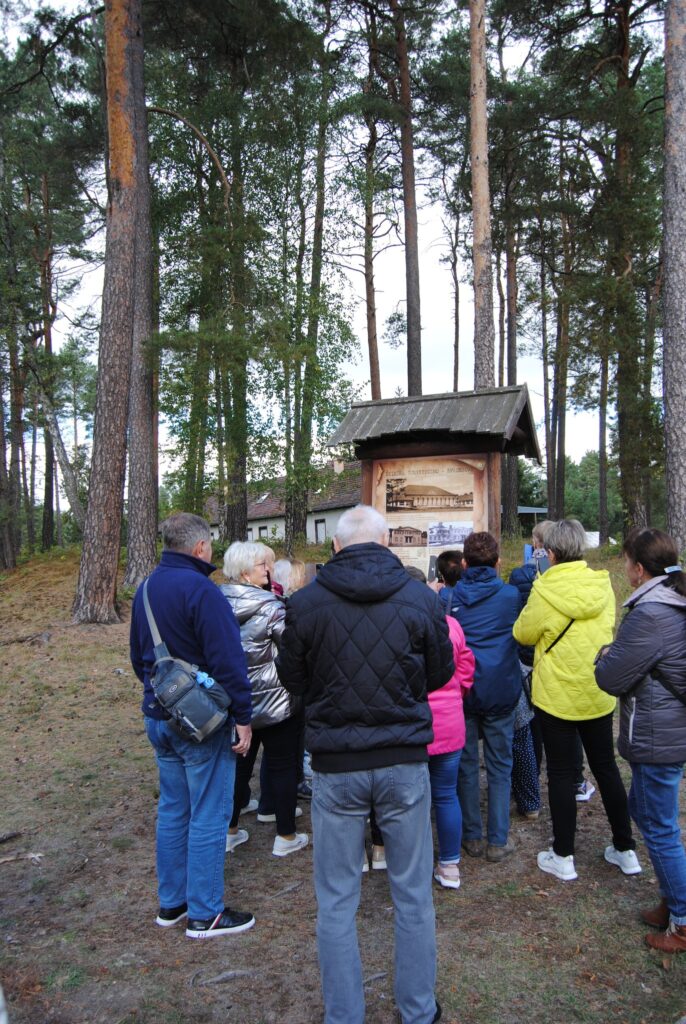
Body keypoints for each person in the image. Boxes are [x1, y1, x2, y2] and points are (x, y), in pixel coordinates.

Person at [277, 504, 453, 1024]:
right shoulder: (420, 597)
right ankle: (418, 1012)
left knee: (336, 900)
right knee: (412, 894)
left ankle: (346, 1015)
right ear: (386, 544)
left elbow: (293, 679)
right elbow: (439, 674)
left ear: (336, 547)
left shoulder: (306, 603)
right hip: (399, 762)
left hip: (338, 764)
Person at [130, 513, 255, 938]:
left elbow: (138, 659)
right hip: (200, 725)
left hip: (158, 715)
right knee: (207, 813)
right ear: (200, 547)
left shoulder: (145, 589)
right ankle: (205, 913)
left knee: (172, 809)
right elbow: (228, 662)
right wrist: (243, 717)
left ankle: (172, 903)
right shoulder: (203, 590)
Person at [513, 518, 639, 882]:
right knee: (607, 769)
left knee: (561, 773)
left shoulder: (544, 590)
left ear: (550, 552)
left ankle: (564, 855)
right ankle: (626, 848)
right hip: (597, 690)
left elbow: (522, 631)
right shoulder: (602, 586)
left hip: (557, 697)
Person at [595, 528, 686, 953]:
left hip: (658, 734)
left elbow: (612, 678)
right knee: (647, 811)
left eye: (627, 559)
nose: (625, 567)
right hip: (669, 728)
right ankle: (673, 901)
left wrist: (603, 657)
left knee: (659, 825)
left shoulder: (650, 613)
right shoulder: (674, 600)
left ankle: (682, 917)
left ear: (639, 568)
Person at [220, 541, 307, 858]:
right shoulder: (273, 607)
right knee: (283, 766)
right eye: (263, 565)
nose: (269, 569)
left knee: (238, 767)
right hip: (275, 701)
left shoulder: (215, 603)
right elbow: (292, 649)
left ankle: (230, 831)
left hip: (235, 701)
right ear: (244, 571)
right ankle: (285, 835)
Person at [451, 531, 522, 863]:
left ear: (464, 563)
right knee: (499, 765)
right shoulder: (510, 596)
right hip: (500, 690)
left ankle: (472, 837)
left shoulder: (448, 599)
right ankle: (498, 840)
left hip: (463, 691)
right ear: (497, 563)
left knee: (465, 765)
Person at [407, 565, 475, 889]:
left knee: (412, 799)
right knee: (447, 795)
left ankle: (415, 864)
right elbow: (466, 667)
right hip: (449, 723)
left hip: (412, 726)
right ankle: (449, 865)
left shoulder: (398, 628)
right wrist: (455, 695)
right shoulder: (452, 625)